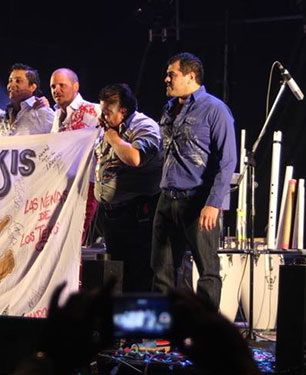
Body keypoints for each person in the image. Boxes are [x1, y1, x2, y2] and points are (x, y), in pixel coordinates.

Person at [151, 52, 237, 309]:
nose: (166, 79)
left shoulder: (214, 109)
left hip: (198, 202)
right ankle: (162, 331)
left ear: (191, 76)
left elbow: (228, 160)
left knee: (207, 270)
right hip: (167, 199)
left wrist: (214, 203)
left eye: (172, 74)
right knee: (162, 269)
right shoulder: (169, 108)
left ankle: (205, 333)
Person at [94, 83, 162, 293]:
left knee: (138, 276)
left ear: (123, 111)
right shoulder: (110, 127)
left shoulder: (144, 126)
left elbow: (135, 158)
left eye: (107, 112)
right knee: (119, 278)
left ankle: (139, 323)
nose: (102, 117)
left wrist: (113, 138)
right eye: (102, 111)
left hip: (136, 216)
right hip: (112, 216)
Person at [49, 68, 101, 243]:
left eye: (62, 85)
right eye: (53, 86)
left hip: (86, 185)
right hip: (62, 186)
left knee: (74, 239)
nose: (56, 90)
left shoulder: (95, 110)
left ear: (76, 86)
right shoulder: (56, 114)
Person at [0, 63, 54, 136]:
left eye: (18, 81)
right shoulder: (4, 117)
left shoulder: (42, 113)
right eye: (10, 81)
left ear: (32, 87)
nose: (11, 85)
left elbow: (59, 139)